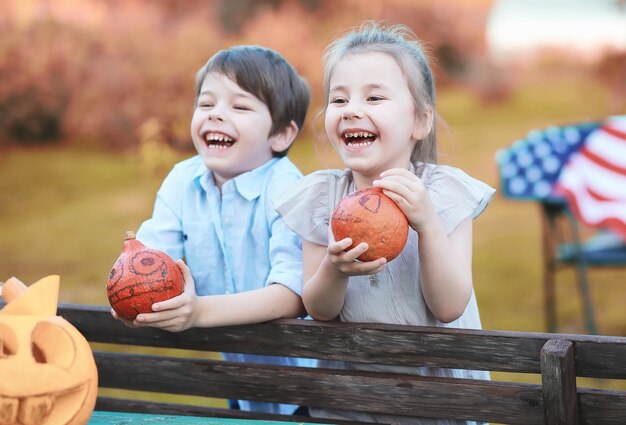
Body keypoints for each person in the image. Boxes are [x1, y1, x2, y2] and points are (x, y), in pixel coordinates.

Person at [274, 22, 495, 424]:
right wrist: (334, 270)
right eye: (339, 100)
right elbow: (320, 310)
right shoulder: (323, 201)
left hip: (436, 398)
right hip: (352, 397)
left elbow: (449, 306)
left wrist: (426, 225)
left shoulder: (443, 196)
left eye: (374, 97)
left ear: (420, 121)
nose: (351, 109)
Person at [111, 45, 312, 415]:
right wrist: (133, 294)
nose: (216, 115)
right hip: (236, 378)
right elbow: (153, 257)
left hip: (307, 383)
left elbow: (292, 296)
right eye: (206, 104)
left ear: (281, 135)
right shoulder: (182, 181)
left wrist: (198, 311)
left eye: (240, 106)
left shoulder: (289, 190)